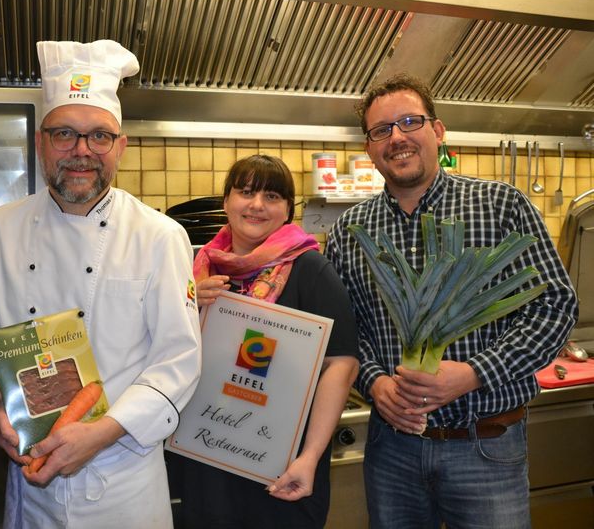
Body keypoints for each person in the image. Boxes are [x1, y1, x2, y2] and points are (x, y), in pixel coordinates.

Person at [0, 40, 202, 528]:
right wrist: (1, 407)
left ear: (121, 146)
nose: (82, 152)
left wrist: (99, 434)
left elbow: (177, 362)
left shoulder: (159, 236)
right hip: (30, 488)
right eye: (65, 134)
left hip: (123, 483)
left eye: (99, 137)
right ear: (40, 141)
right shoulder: (0, 228)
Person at [324, 74, 579, 528]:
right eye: (382, 130)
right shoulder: (350, 231)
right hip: (392, 451)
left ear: (437, 131)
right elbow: (342, 331)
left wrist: (473, 374)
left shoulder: (501, 206)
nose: (397, 137)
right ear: (369, 148)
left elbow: (555, 305)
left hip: (486, 445)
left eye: (409, 122)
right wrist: (376, 384)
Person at [178, 154, 359, 528]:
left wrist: (309, 458)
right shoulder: (197, 270)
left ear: (288, 209)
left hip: (280, 466)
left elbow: (342, 364)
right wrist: (189, 306)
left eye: (273, 196)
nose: (257, 205)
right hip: (206, 458)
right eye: (246, 192)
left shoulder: (310, 269)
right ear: (226, 201)